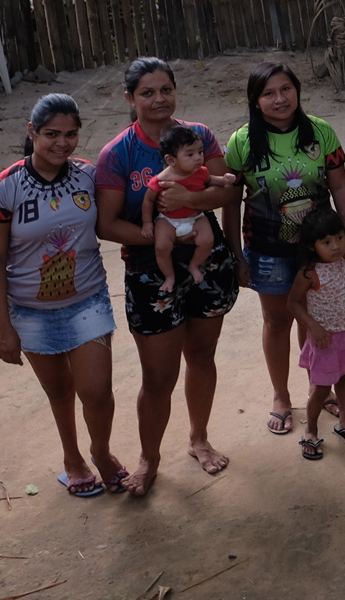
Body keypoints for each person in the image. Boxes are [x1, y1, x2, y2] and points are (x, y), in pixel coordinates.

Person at [94, 57, 242, 495]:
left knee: (202, 356)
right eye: (147, 92)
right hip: (149, 270)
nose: (158, 100)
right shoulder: (117, 153)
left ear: (176, 91)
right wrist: (163, 236)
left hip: (205, 262)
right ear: (130, 98)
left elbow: (229, 189)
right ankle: (148, 457)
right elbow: (105, 224)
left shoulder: (200, 136)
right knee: (158, 377)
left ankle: (199, 438)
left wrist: (189, 204)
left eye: (165, 90)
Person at [0, 94, 127, 497]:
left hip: (88, 300)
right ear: (32, 133)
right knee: (59, 391)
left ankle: (101, 451)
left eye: (70, 134)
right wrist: (3, 328)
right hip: (30, 311)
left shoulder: (89, 176)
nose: (61, 143)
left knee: (97, 391)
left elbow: (118, 217)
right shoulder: (1, 189)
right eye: (51, 134)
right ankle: (72, 459)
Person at [223, 60, 345, 438]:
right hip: (267, 249)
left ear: (297, 91)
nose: (279, 99)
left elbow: (341, 188)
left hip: (316, 251)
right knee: (278, 320)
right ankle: (281, 396)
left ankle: (321, 386)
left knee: (316, 319)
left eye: (286, 89)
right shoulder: (241, 143)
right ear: (255, 100)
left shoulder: (321, 132)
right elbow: (231, 203)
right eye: (268, 93)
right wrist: (237, 255)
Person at [291, 207, 345, 458]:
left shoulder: (341, 262)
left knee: (344, 378)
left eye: (339, 238)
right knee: (319, 388)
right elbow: (292, 303)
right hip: (324, 340)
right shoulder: (309, 272)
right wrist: (312, 327)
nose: (336, 246)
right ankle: (311, 431)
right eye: (326, 242)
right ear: (312, 245)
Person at [142, 126, 234, 293]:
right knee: (162, 246)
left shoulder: (200, 171)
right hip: (168, 220)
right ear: (171, 160)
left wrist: (223, 179)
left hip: (195, 217)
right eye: (190, 154)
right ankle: (169, 276)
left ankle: (194, 265)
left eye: (200, 152)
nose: (198, 158)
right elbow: (148, 200)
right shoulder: (161, 179)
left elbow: (210, 179)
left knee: (207, 240)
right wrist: (147, 223)